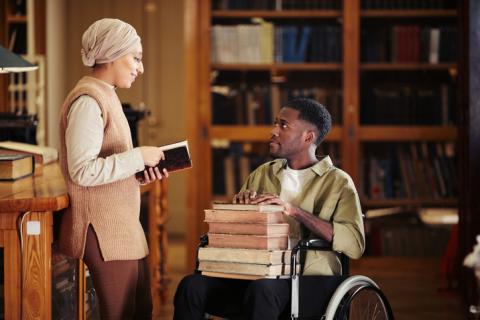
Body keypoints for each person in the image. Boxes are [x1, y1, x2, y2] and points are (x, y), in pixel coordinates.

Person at [173, 98, 365, 319]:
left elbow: (354, 244)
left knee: (262, 290)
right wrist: (240, 209)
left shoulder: (338, 182)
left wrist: (294, 211)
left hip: (309, 281)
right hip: (255, 274)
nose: (273, 131)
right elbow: (237, 232)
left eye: (283, 125)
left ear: (308, 137)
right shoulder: (262, 173)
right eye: (275, 123)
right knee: (192, 286)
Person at [58, 18, 167, 319]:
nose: (139, 68)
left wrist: (139, 172)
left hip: (121, 226)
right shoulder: (88, 101)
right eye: (136, 58)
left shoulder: (107, 95)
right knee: (120, 314)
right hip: (102, 229)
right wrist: (137, 157)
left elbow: (106, 165)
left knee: (140, 310)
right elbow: (82, 170)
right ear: (113, 54)